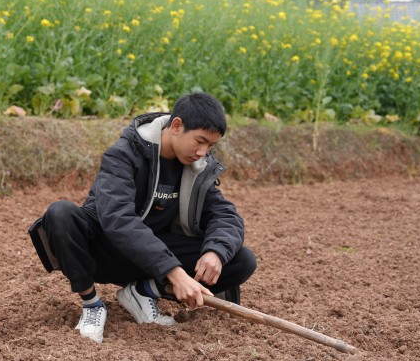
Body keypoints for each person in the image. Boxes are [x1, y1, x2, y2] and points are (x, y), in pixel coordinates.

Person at [29, 92, 256, 343]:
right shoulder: (124, 154)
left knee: (240, 260)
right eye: (200, 141)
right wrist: (174, 272)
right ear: (176, 126)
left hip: (151, 260)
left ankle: (143, 291)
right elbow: (118, 220)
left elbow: (225, 214)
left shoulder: (197, 168)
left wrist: (215, 252)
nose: (203, 152)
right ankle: (92, 305)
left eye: (210, 146)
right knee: (59, 213)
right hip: (104, 251)